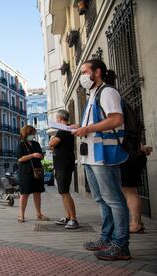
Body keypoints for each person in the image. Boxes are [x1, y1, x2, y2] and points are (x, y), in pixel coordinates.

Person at [73, 59, 130, 260]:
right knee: (101, 199)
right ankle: (107, 238)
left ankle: (121, 245)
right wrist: (78, 127)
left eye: (84, 71)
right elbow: (95, 123)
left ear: (96, 72)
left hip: (104, 155)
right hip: (91, 156)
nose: (81, 76)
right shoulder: (93, 95)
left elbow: (116, 119)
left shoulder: (108, 92)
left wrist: (87, 128)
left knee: (114, 200)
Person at [49, 110, 79, 229]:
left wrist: (52, 141)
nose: (56, 120)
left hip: (64, 165)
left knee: (65, 192)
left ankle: (73, 219)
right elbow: (52, 145)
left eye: (56, 118)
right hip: (62, 164)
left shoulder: (63, 130)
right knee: (63, 192)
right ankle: (67, 216)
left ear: (60, 118)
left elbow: (52, 143)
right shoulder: (65, 130)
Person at [17, 125, 49, 223]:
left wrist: (41, 156)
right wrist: (32, 155)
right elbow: (20, 159)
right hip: (26, 172)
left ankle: (39, 213)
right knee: (24, 194)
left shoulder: (36, 144)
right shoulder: (21, 144)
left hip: (37, 171)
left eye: (34, 134)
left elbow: (41, 156)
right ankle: (21, 215)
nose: (33, 136)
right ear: (27, 134)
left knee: (37, 193)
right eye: (32, 134)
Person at [121, 145, 152, 233]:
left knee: (130, 191)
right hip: (134, 156)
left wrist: (140, 147)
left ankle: (136, 224)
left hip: (129, 157)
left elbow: (130, 140)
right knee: (129, 191)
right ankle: (137, 222)